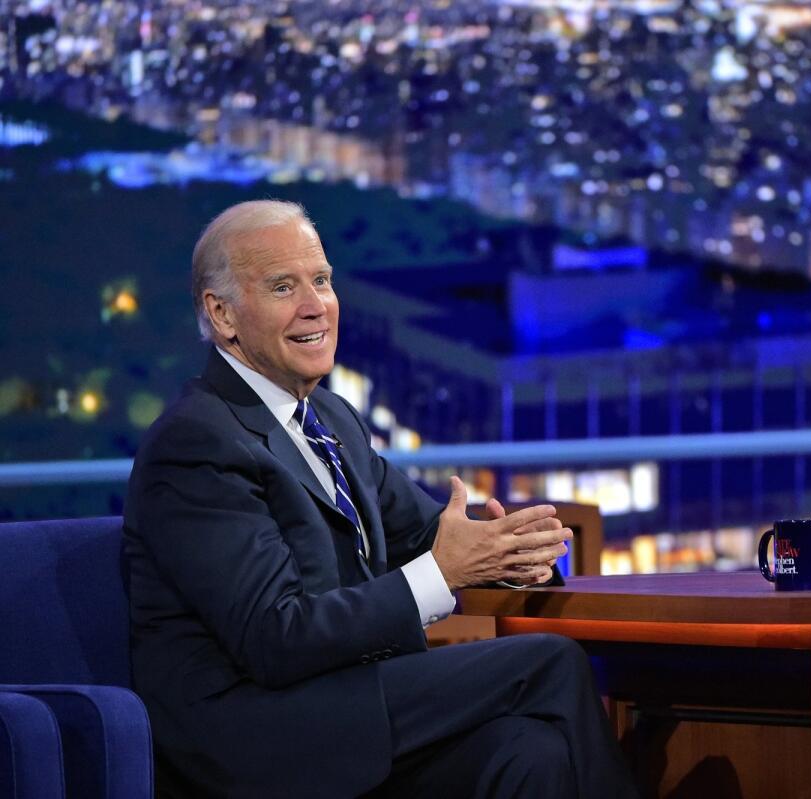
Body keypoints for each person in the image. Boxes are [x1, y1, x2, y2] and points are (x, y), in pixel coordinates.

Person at [123, 200, 638, 797]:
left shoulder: (332, 419)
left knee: (530, 753)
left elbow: (429, 535)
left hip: (347, 700)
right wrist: (446, 571)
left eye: (321, 280)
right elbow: (275, 638)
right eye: (284, 286)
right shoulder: (198, 442)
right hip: (257, 731)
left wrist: (506, 553)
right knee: (550, 663)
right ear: (223, 315)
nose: (315, 305)